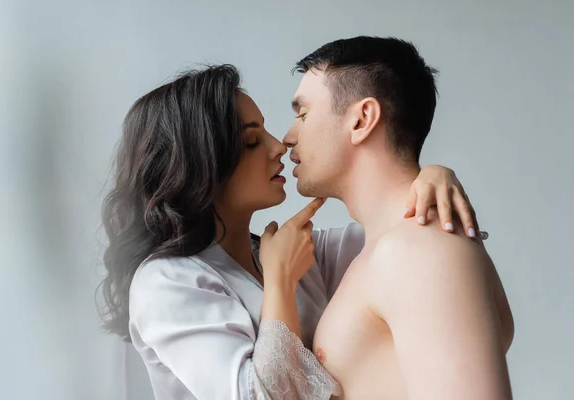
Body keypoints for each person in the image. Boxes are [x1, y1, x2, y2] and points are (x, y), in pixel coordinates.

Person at [100, 64, 480, 400]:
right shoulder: (165, 283)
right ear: (200, 165)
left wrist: (430, 178)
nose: (278, 145)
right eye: (252, 141)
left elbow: (412, 235)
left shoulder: (296, 250)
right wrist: (280, 280)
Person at [284, 36, 514, 399]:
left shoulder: (418, 250)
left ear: (362, 119)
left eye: (303, 114)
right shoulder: (392, 247)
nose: (288, 137)